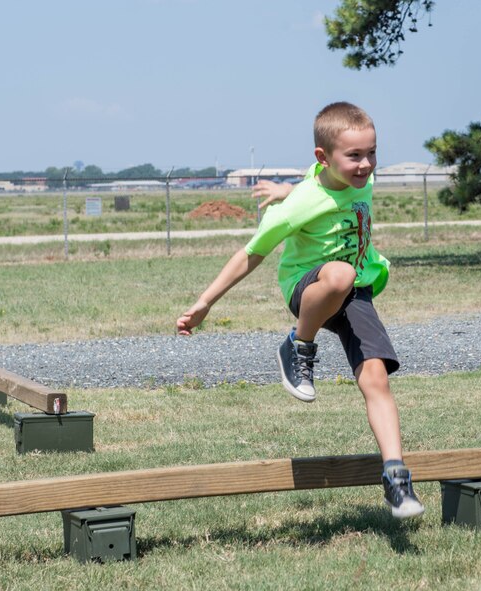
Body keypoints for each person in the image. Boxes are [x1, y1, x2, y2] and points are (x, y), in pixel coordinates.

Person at [176, 101, 424, 519]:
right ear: (324, 157)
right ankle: (299, 345)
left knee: (377, 377)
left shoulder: (353, 177)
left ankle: (396, 477)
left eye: (372, 153)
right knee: (340, 274)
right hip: (308, 288)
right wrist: (204, 303)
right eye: (355, 156)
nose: (366, 165)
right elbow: (251, 253)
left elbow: (321, 183)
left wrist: (283, 188)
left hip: (355, 289)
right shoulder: (302, 203)